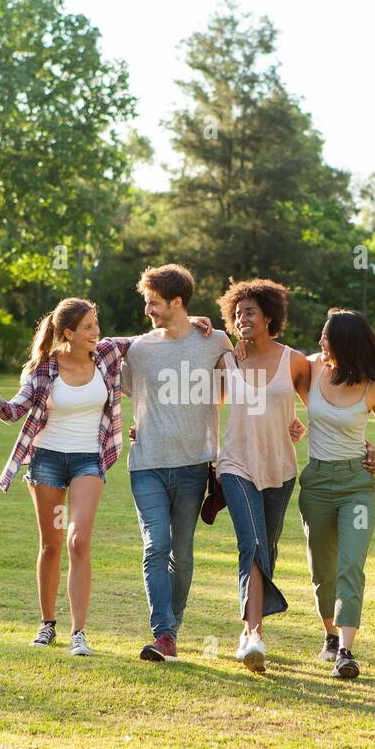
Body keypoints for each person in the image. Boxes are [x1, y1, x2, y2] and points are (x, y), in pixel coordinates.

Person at [0, 298, 211, 656]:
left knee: (78, 541)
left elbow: (150, 337)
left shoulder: (108, 354)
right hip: (48, 462)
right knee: (51, 544)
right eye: (88, 327)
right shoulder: (43, 369)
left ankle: (79, 632)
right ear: (67, 333)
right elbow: (13, 412)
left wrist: (187, 320)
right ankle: (47, 624)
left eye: (96, 324)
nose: (96, 332)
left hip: (89, 460)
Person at [298, 308, 375, 679]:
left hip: (357, 486)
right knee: (322, 566)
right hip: (317, 483)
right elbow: (269, 369)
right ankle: (330, 637)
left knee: (351, 564)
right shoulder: (311, 368)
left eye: (326, 337)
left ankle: (347, 652)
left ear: (346, 344)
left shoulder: (374, 388)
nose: (320, 342)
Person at [123, 264, 233, 662]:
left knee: (181, 554)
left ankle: (173, 626)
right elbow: (96, 358)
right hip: (147, 464)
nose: (148, 310)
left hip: (192, 466)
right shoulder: (137, 349)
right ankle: (164, 633)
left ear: (177, 302)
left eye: (153, 303)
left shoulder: (215, 341)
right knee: (157, 546)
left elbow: (254, 369)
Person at [212, 278, 316, 673]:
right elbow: (205, 402)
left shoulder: (294, 361)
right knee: (252, 543)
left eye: (250, 312)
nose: (242, 319)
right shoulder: (228, 358)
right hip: (236, 464)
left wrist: (300, 425)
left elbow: (319, 407)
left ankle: (248, 626)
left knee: (266, 548)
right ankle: (252, 635)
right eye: (237, 313)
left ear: (270, 317)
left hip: (280, 468)